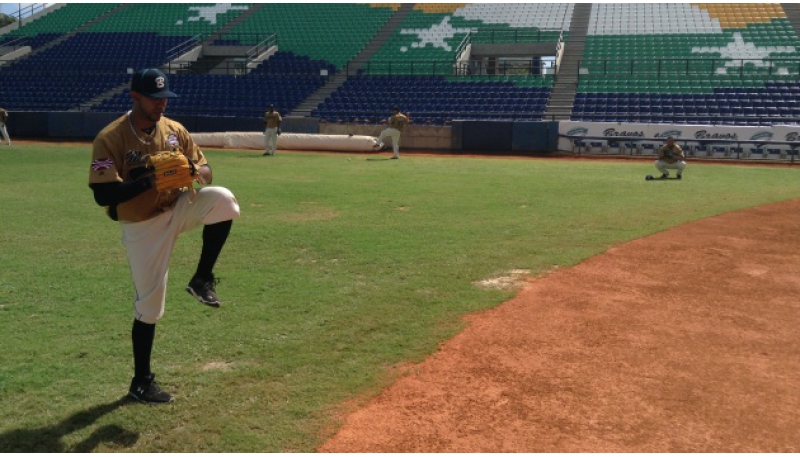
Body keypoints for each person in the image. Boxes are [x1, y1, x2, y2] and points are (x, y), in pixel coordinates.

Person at [88, 68, 240, 404]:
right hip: (142, 225)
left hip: (177, 206)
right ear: (135, 97)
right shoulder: (111, 137)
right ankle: (141, 382)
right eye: (154, 99)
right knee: (150, 307)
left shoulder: (175, 130)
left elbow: (207, 170)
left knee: (224, 200)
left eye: (164, 98)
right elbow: (102, 195)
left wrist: (191, 169)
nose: (161, 104)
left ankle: (201, 279)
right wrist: (149, 181)